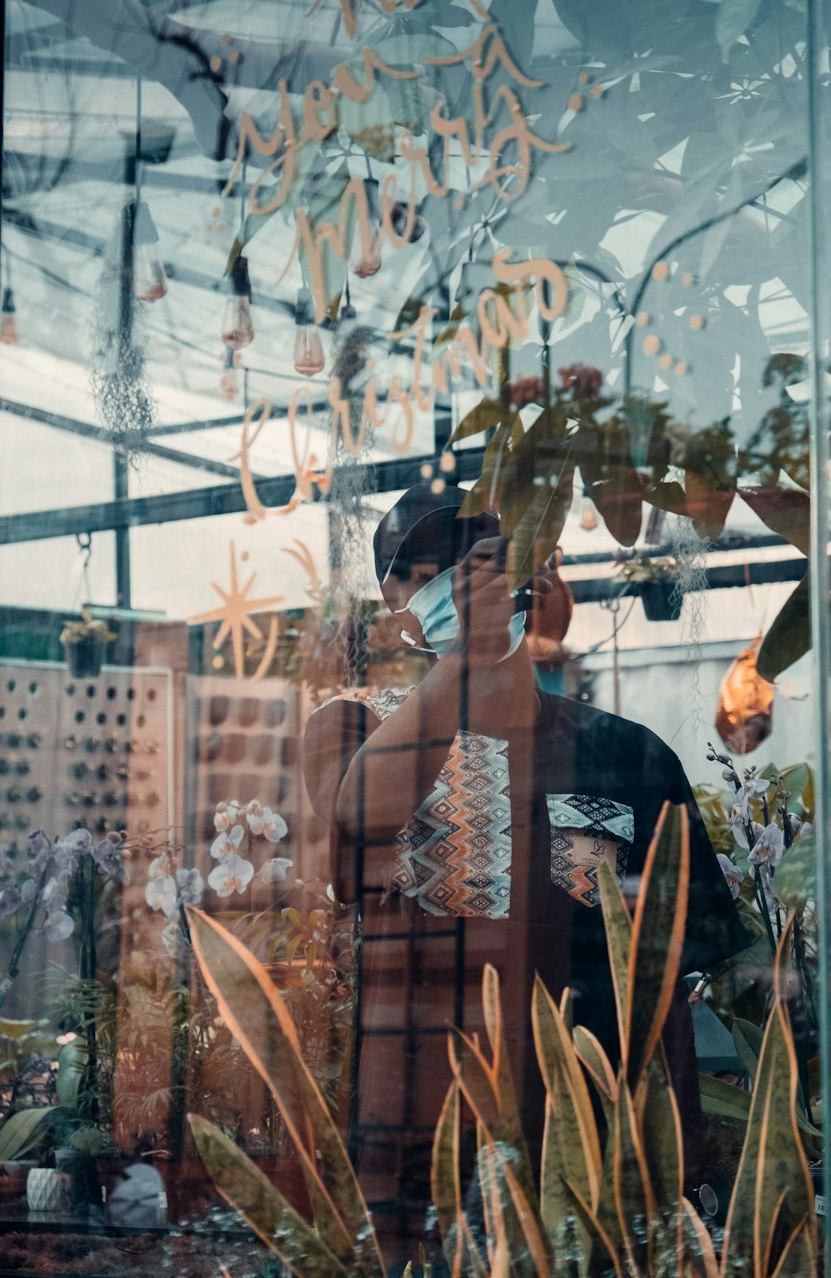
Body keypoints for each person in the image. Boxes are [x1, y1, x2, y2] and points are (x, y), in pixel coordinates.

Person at [303, 484, 748, 1262]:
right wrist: (469, 659)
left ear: (526, 580)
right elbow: (362, 810)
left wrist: (677, 1162)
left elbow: (666, 986)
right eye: (418, 571)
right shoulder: (351, 730)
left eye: (472, 558)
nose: (449, 580)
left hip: (586, 1156)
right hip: (416, 1152)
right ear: (393, 609)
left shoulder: (626, 755)